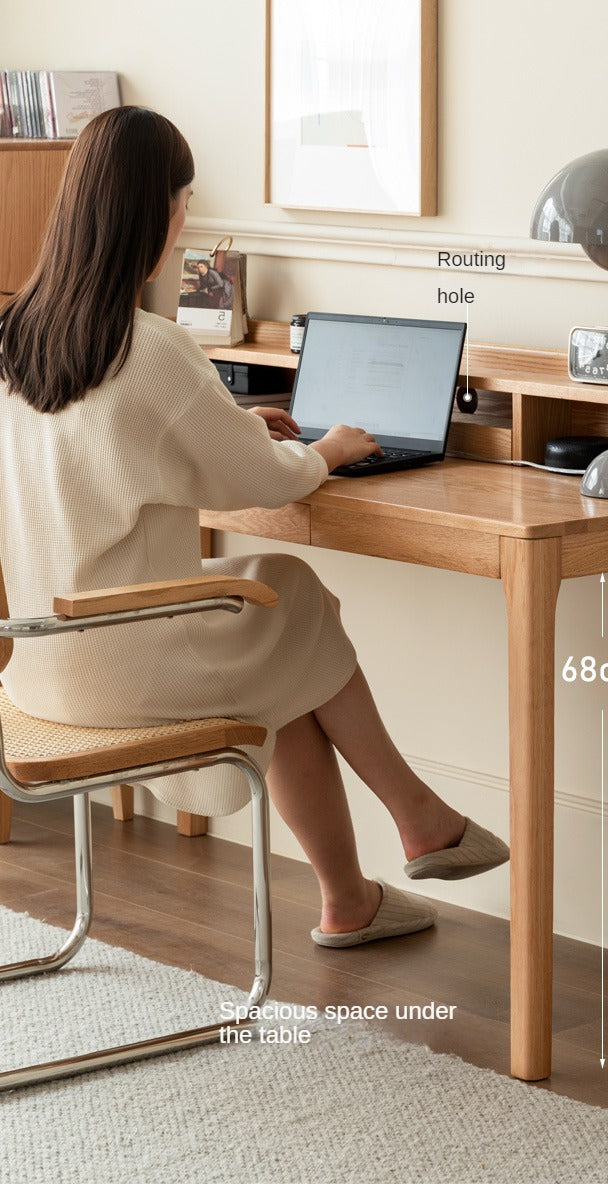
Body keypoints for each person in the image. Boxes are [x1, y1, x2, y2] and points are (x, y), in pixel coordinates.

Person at [0, 106, 507, 946]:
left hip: (39, 672)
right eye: (184, 203)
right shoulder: (151, 349)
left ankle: (352, 898)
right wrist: (333, 448)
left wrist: (237, 424)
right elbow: (259, 479)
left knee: (285, 658)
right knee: (290, 593)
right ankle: (419, 815)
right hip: (125, 669)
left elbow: (141, 450)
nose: (185, 221)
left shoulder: (19, 340)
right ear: (154, 213)